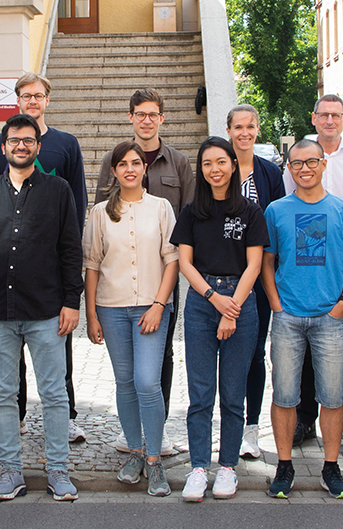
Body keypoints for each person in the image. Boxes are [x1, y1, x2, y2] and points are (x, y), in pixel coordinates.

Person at [0, 113, 83, 501]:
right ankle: (10, 471)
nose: (21, 146)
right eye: (14, 140)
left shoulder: (58, 190)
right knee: (2, 395)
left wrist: (72, 302)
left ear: (37, 147)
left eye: (28, 140)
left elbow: (70, 250)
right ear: (3, 147)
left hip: (46, 311)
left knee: (54, 394)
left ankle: (58, 471)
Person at [0, 73, 88, 442]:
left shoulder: (66, 144)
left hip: (50, 266)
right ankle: (19, 414)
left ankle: (66, 415)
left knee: (58, 345)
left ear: (47, 100)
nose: (32, 100)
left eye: (38, 95)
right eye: (26, 95)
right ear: (18, 100)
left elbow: (77, 202)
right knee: (11, 347)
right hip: (8, 265)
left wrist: (68, 259)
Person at [94, 88, 194, 455]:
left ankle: (158, 430)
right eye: (140, 114)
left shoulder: (178, 163)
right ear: (131, 117)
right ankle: (134, 433)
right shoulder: (115, 158)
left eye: (153, 114)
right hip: (119, 282)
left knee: (160, 356)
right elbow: (101, 214)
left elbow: (189, 217)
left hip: (163, 275)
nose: (147, 120)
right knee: (128, 373)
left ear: (162, 118)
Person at [263, 139, 343, 500]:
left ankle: (331, 467)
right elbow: (267, 261)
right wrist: (276, 305)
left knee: (333, 398)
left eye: (311, 162)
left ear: (323, 164)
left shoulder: (342, 210)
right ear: (288, 168)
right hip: (288, 317)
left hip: (329, 318)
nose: (304, 169)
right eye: (297, 163)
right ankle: (284, 465)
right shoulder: (276, 210)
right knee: (284, 395)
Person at [170, 137, 265, 502]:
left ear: (233, 165)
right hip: (201, 302)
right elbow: (185, 263)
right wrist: (214, 299)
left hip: (240, 300)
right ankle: (198, 467)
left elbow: (254, 264)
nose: (215, 169)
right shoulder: (193, 211)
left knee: (233, 393)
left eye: (221, 162)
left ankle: (227, 466)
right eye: (208, 163)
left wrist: (231, 307)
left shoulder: (250, 212)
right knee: (200, 392)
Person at [282, 94, 343, 450]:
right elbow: (288, 208)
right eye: (324, 115)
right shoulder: (300, 157)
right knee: (306, 346)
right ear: (314, 118)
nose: (330, 121)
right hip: (307, 270)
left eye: (336, 115)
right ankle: (306, 418)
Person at [84, 141, 178, 496]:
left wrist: (159, 304)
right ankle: (135, 452)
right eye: (122, 164)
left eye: (135, 163)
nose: (130, 169)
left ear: (144, 168)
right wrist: (91, 315)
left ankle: (155, 460)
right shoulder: (100, 213)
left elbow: (172, 259)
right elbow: (92, 265)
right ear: (114, 171)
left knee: (148, 382)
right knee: (124, 381)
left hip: (151, 308)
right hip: (111, 308)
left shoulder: (161, 208)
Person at [225, 104, 286, 459]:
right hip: (223, 277)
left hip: (260, 276)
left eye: (250, 126)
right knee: (226, 354)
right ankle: (228, 425)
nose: (244, 132)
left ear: (257, 129)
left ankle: (251, 428)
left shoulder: (269, 172)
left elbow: (276, 222)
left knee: (255, 352)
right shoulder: (220, 166)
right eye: (238, 127)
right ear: (229, 131)